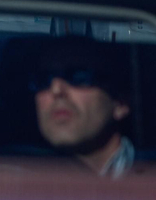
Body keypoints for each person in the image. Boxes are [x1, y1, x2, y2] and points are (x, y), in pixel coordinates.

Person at [29, 37, 141, 177]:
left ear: (120, 104)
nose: (56, 90)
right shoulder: (9, 174)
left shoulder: (149, 172)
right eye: (43, 80)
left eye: (79, 77)